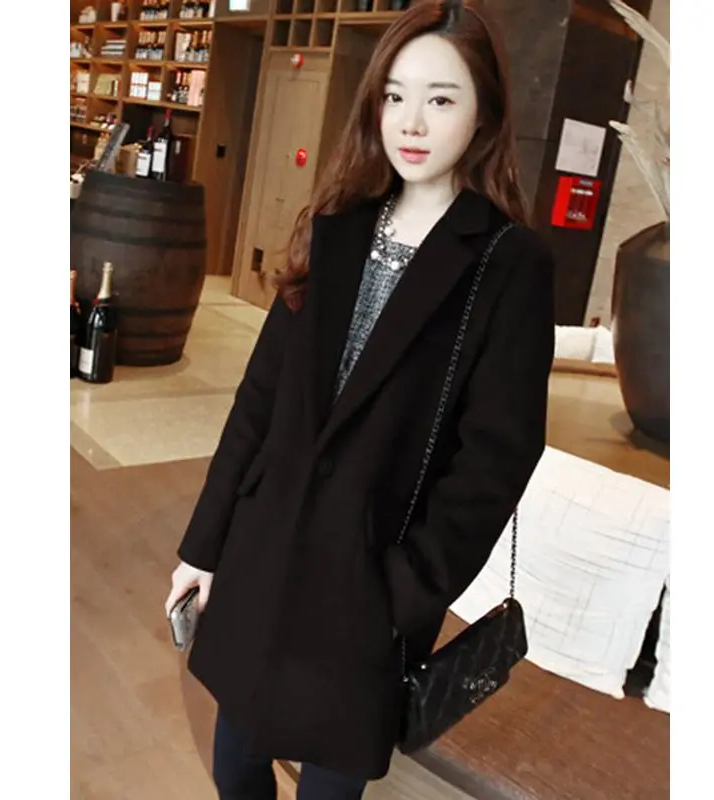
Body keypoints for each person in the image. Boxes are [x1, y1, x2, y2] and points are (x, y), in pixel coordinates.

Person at [164, 1, 555, 797]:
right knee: (236, 766)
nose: (412, 122)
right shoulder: (336, 223)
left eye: (441, 98)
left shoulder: (507, 263)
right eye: (395, 96)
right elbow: (259, 401)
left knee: (329, 785)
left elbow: (497, 459)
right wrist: (205, 546)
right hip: (266, 555)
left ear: (483, 114)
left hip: (368, 581)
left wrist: (401, 593)